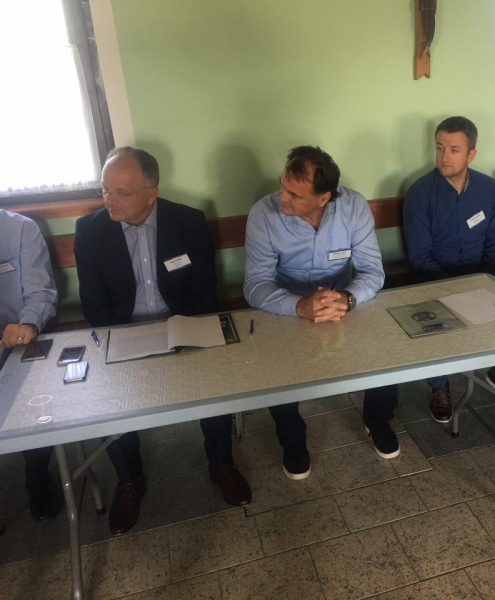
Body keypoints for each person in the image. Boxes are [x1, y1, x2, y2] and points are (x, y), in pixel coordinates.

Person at [74, 147, 251, 535]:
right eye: (104, 190)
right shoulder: (90, 230)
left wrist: (183, 331)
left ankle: (221, 462)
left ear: (151, 193)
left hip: (184, 322)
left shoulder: (188, 221)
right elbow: (94, 304)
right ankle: (129, 480)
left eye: (122, 192)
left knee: (213, 379)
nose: (109, 200)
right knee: (112, 395)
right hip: (123, 331)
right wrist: (130, 341)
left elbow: (204, 288)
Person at [244, 145, 399, 480]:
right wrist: (299, 306)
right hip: (286, 304)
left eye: (294, 194)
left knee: (384, 345)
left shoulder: (353, 207)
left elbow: (373, 272)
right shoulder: (263, 214)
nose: (281, 198)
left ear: (323, 198)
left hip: (341, 301)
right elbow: (255, 286)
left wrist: (348, 299)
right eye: (282, 186)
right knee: (275, 364)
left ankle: (378, 420)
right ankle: (292, 439)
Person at [403, 116, 495, 423]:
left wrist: (483, 283)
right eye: (440, 148)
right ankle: (439, 384)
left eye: (454, 150)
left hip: (483, 279)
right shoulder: (420, 193)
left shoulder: (488, 188)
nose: (444, 157)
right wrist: (456, 291)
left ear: (471, 154)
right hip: (434, 282)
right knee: (431, 322)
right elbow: (420, 256)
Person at [0, 209, 62, 521]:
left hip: (15, 344)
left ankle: (36, 472)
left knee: (34, 398)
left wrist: (28, 324)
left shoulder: (20, 229)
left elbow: (40, 292)